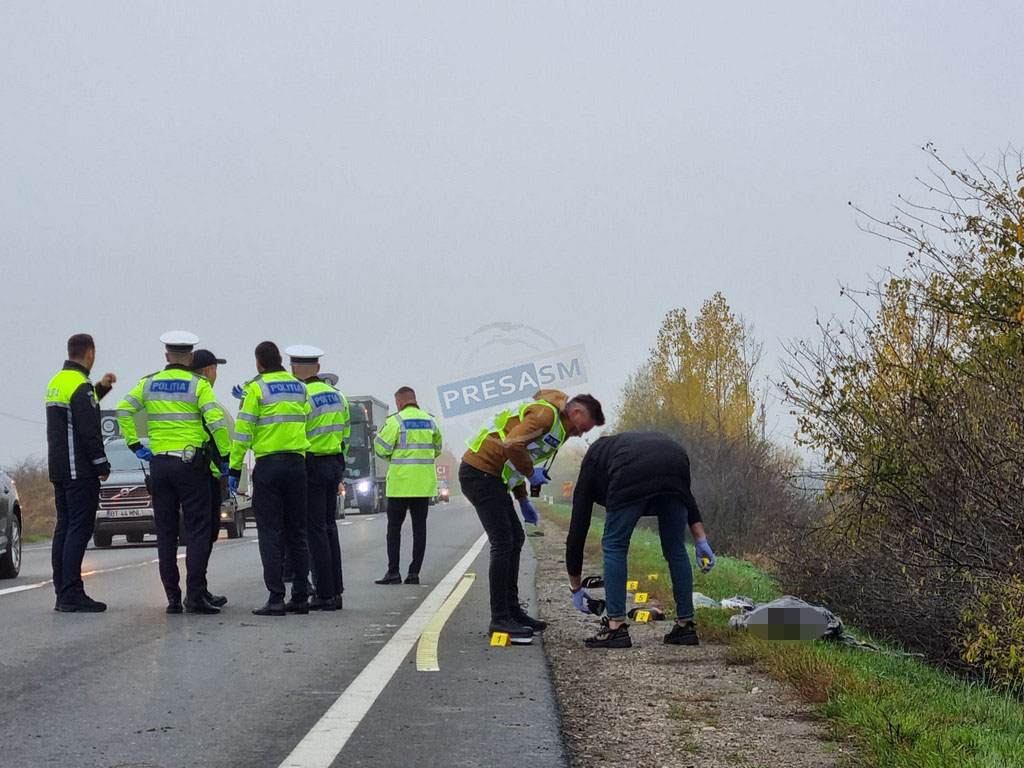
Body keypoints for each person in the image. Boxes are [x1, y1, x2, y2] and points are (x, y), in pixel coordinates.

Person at [459, 390, 604, 644]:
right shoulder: (545, 415)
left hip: (491, 476)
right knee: (503, 542)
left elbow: (513, 460)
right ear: (576, 413)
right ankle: (500, 618)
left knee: (515, 538)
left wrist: (523, 499)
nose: (580, 434)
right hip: (479, 473)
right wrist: (530, 473)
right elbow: (512, 445)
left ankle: (512, 611)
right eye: (582, 428)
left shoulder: (556, 424)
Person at [565, 431, 716, 649]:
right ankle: (686, 627)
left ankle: (615, 627)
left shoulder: (593, 462)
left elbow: (577, 530)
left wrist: (575, 588)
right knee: (676, 548)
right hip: (675, 456)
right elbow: (685, 495)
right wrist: (700, 539)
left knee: (615, 545)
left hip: (632, 468)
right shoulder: (622, 449)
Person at [116, 332, 230, 615]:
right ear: (191, 357)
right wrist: (226, 456)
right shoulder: (198, 385)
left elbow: (123, 410)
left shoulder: (148, 383)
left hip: (160, 466)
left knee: (166, 534)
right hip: (191, 466)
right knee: (198, 531)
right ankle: (195, 595)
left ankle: (172, 599)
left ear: (167, 356)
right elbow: (215, 422)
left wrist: (134, 444)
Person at [229, 341, 311, 616]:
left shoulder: (257, 388)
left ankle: (276, 597)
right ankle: (301, 595)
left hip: (269, 467)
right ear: (280, 359)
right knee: (297, 531)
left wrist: (234, 467)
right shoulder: (299, 386)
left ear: (258, 363)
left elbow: (243, 431)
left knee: (270, 533)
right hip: (297, 464)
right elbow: (308, 420)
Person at [45, 333, 116, 612]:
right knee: (79, 528)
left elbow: (79, 410)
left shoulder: (58, 382)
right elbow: (87, 428)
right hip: (79, 470)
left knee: (63, 527)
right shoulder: (80, 386)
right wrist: (101, 464)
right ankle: (73, 592)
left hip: (60, 468)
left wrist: (103, 388)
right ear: (91, 354)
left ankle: (62, 590)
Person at [285, 345, 349, 611]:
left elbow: (296, 434)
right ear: (318, 369)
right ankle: (336, 591)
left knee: (315, 531)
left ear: (293, 369)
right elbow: (345, 436)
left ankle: (323, 592)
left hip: (310, 465)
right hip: (333, 463)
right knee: (329, 527)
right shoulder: (338, 397)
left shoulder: (301, 396)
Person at [373, 387, 442, 586]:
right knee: (419, 529)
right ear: (414, 400)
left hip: (400, 485)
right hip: (423, 485)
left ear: (400, 403)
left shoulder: (396, 421)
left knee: (394, 528)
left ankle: (393, 572)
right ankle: (414, 574)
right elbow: (437, 449)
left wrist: (393, 457)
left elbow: (381, 447)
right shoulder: (431, 421)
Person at [189, 348, 230, 608]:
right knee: (205, 533)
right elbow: (215, 430)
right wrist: (227, 462)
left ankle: (198, 589)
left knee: (204, 534)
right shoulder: (203, 392)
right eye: (216, 368)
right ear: (207, 370)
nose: (216, 374)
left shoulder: (187, 392)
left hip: (189, 470)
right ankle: (196, 592)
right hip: (205, 473)